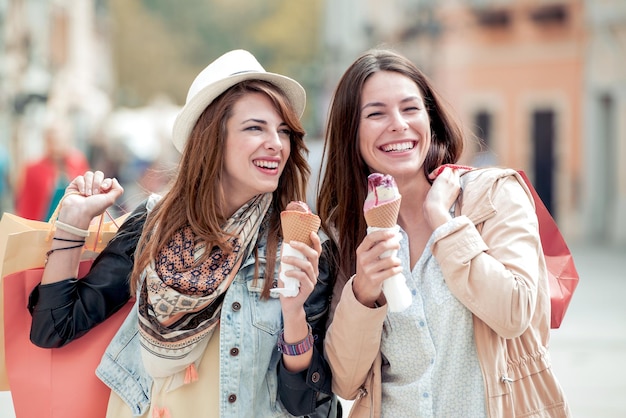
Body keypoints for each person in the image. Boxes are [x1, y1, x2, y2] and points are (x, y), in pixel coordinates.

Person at [28, 50, 339, 417]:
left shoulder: (299, 248)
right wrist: (73, 225)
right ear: (211, 137)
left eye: (284, 130)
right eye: (256, 127)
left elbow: (306, 402)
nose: (277, 143)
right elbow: (52, 328)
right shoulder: (153, 227)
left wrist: (294, 313)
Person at [317, 48, 570, 417]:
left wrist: (445, 225)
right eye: (376, 113)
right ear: (350, 133)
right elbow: (344, 380)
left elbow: (515, 313)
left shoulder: (494, 194)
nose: (398, 124)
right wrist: (363, 293)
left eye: (410, 108)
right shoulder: (350, 230)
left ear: (430, 119)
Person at [15, 116, 90, 220]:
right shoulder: (33, 169)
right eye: (52, 139)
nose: (56, 144)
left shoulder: (78, 162)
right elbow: (26, 206)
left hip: (73, 224)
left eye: (60, 139)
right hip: (42, 225)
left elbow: (87, 197)